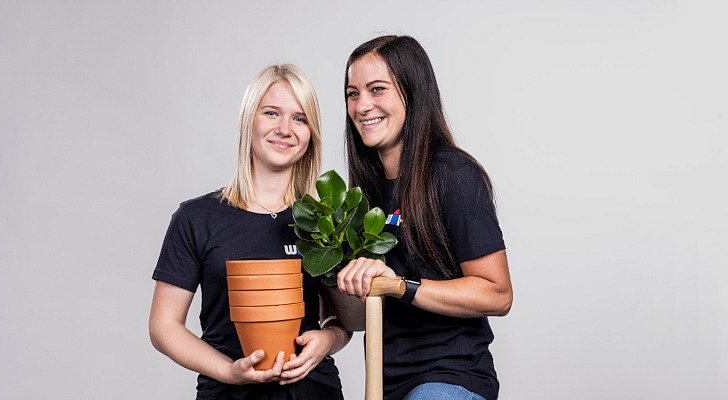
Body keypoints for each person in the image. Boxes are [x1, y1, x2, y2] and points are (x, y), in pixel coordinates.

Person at [150, 64, 348, 400]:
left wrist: (328, 340)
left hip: (313, 390)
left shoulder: (326, 221)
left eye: (299, 118)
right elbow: (163, 326)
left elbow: (343, 320)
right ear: (249, 120)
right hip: (227, 393)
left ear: (311, 133)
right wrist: (229, 371)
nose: (285, 129)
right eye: (271, 113)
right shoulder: (197, 218)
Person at [336, 35, 513, 400]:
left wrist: (401, 285)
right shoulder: (363, 194)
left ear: (413, 92)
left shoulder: (453, 175)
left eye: (377, 89)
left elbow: (497, 294)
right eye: (353, 93)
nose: (362, 106)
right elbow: (358, 314)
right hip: (386, 384)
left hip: (449, 379)